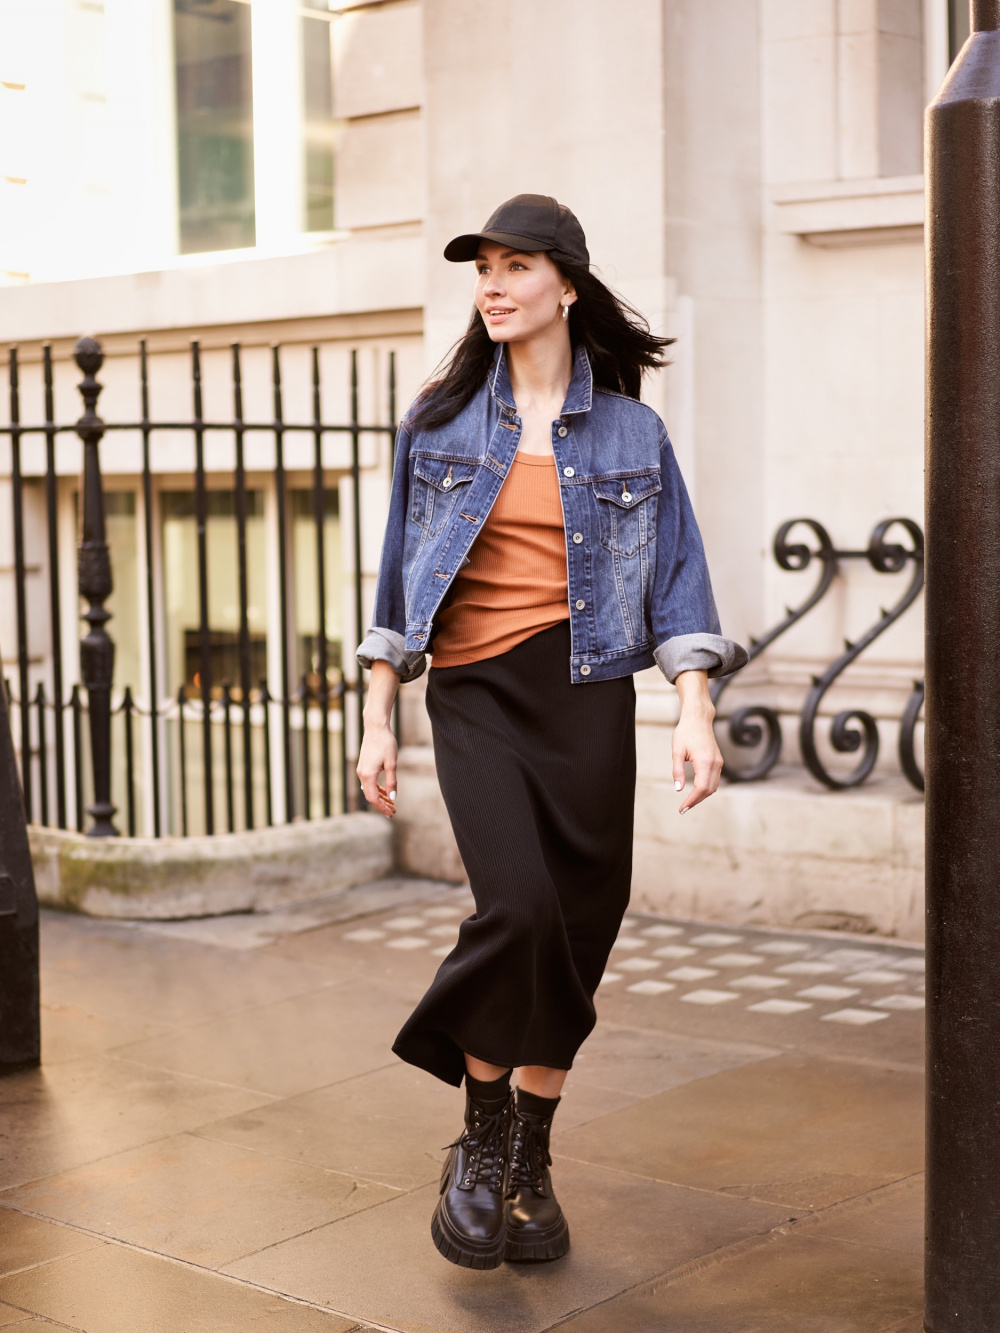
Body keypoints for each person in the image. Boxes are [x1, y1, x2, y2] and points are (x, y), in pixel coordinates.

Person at [356, 194, 746, 1270]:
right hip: (477, 692)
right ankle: (476, 1143)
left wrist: (694, 709)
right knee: (518, 909)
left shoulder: (631, 430)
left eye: (515, 266)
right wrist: (378, 709)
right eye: (481, 266)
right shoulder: (439, 424)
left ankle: (529, 1158)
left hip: (585, 695)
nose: (491, 284)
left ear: (564, 285)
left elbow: (679, 578)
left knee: (578, 926)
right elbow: (396, 580)